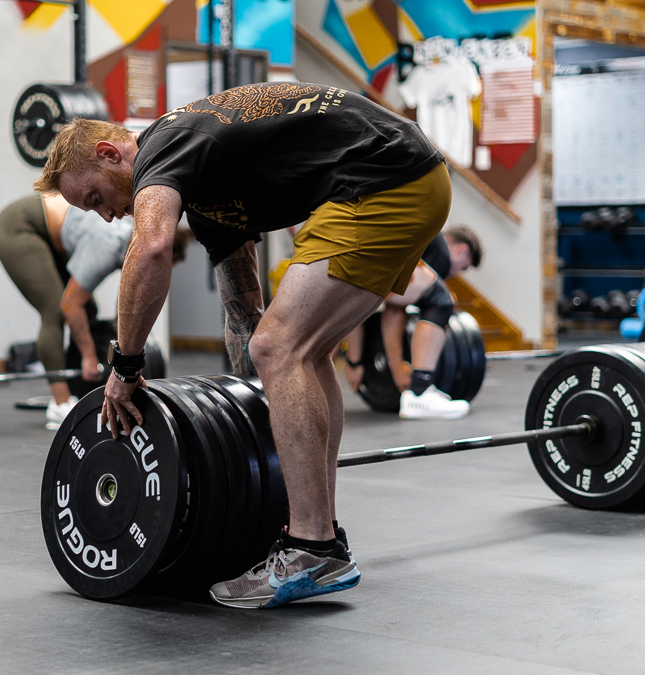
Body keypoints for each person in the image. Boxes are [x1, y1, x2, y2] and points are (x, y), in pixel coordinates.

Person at [34, 81, 451, 609]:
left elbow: (152, 246)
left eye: (96, 198)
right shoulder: (205, 193)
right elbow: (244, 315)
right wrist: (243, 420)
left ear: (110, 153)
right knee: (299, 351)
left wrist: (126, 366)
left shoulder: (165, 144)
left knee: (281, 347)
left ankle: (311, 547)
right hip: (407, 177)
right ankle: (320, 536)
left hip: (380, 179)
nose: (106, 215)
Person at [0, 192, 189, 429]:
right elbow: (70, 305)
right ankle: (60, 403)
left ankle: (77, 382)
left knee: (89, 309)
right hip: (20, 227)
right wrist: (89, 357)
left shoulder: (136, 242)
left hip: (55, 239)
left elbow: (128, 303)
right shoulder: (109, 244)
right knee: (56, 310)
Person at [342, 226, 483, 419]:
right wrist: (395, 367)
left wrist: (355, 361)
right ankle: (420, 392)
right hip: (359, 257)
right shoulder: (440, 254)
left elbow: (384, 305)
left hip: (348, 253)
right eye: (463, 267)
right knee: (442, 300)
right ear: (462, 251)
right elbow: (391, 310)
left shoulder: (425, 244)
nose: (456, 274)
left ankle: (419, 392)